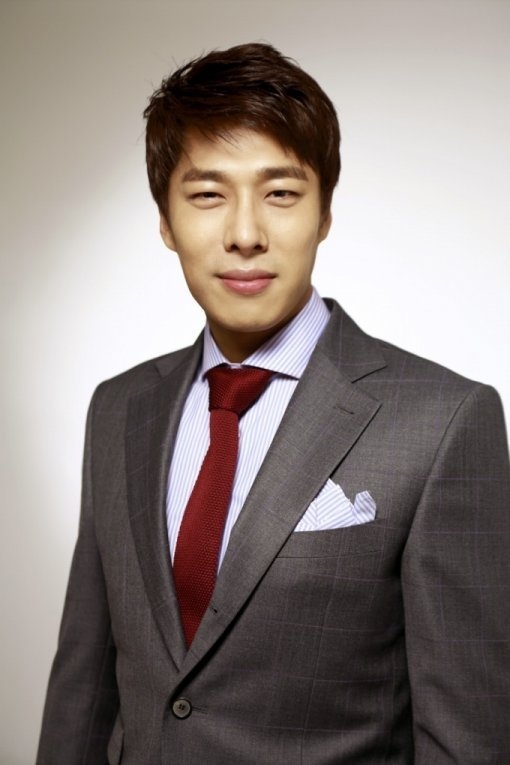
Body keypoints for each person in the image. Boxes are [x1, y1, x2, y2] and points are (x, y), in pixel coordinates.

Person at [37, 42, 510, 765]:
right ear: (165, 220)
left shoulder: (444, 422)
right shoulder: (119, 409)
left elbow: (469, 739)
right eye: (207, 195)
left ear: (324, 213)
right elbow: (84, 693)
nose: (245, 234)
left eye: (281, 193)